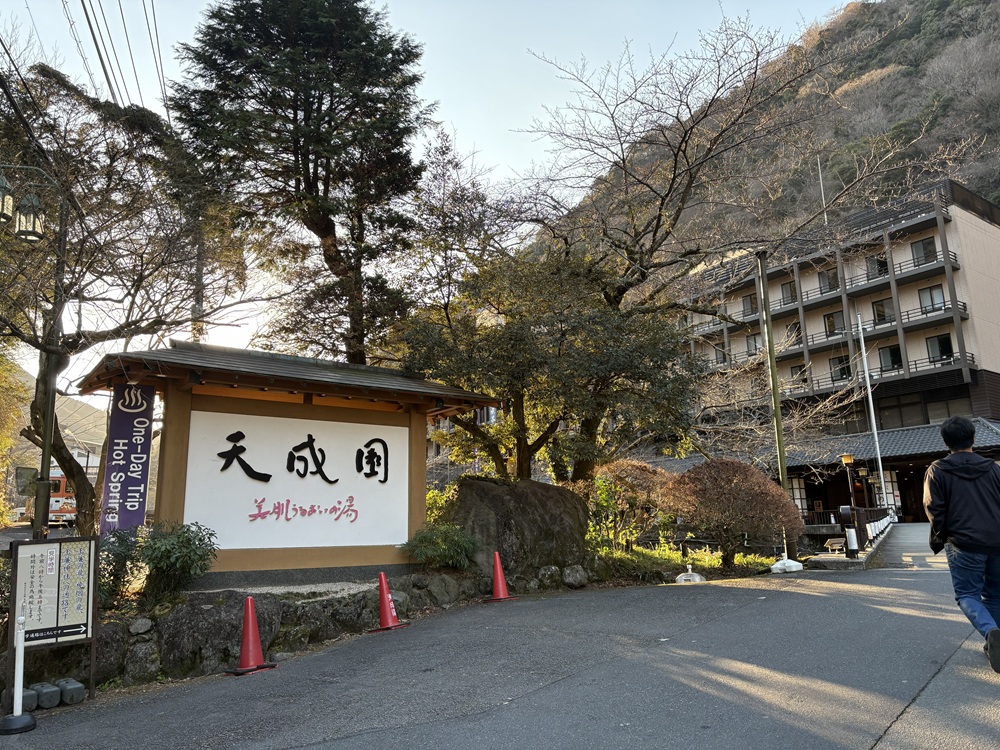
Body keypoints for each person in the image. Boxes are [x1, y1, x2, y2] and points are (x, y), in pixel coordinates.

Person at [924, 415, 1000, 673]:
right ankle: (994, 643)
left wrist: (940, 535)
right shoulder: (992, 468)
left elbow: (933, 508)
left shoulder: (938, 470)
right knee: (995, 594)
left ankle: (991, 633)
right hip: (997, 541)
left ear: (946, 442)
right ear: (973, 438)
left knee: (968, 594)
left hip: (963, 543)